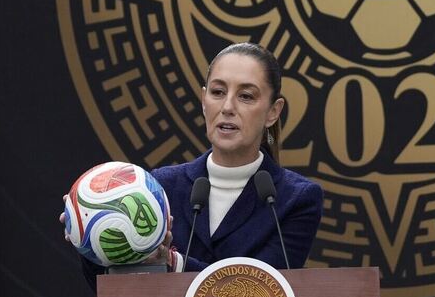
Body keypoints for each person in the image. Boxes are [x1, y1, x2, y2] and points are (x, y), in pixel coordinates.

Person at [65, 42, 323, 282]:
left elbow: (261, 293)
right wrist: (91, 234)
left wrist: (173, 262)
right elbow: (113, 290)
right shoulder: (160, 187)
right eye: (218, 92)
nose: (227, 107)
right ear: (203, 100)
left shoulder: (297, 199)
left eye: (246, 96)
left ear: (273, 112)